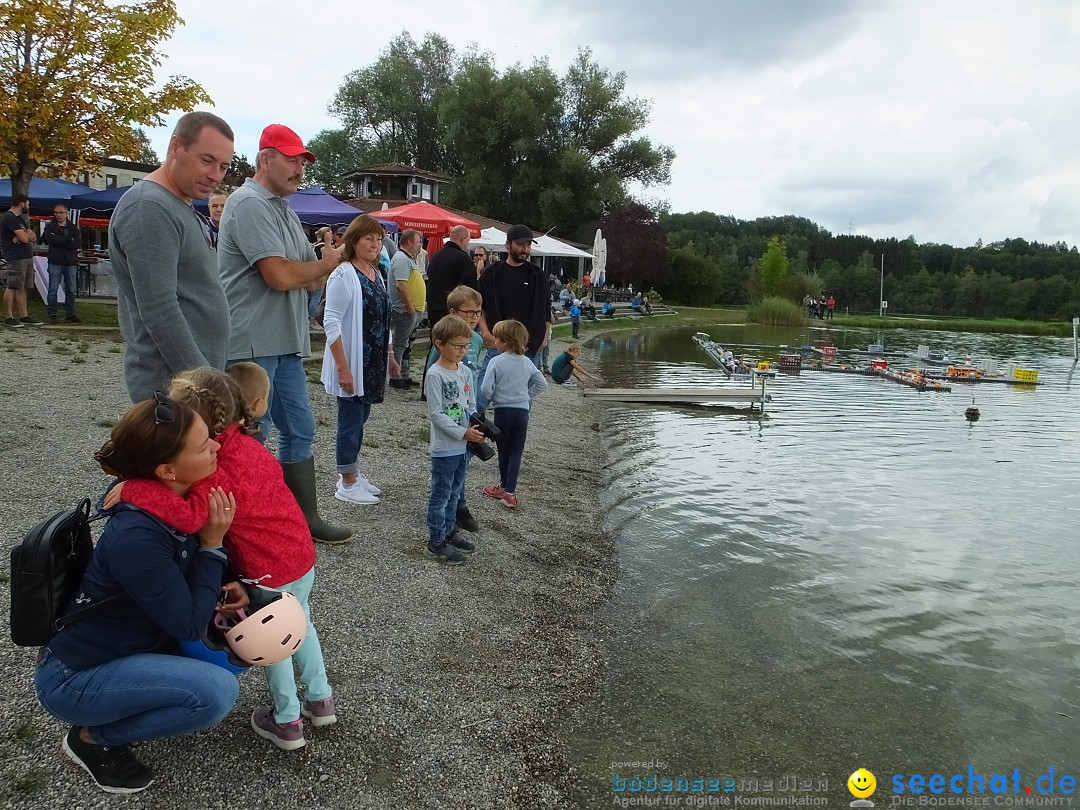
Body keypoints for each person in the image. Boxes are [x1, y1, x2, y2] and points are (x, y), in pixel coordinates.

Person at [106, 366, 337, 752]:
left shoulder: (215, 467)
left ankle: (287, 720)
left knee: (273, 642)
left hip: (267, 570)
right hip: (299, 555)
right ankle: (321, 698)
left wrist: (135, 490)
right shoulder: (252, 446)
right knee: (302, 624)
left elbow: (193, 516)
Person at [35, 395, 245, 794]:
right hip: (73, 677)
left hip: (134, 645)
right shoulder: (138, 535)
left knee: (242, 642)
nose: (217, 446)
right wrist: (213, 546)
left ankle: (135, 697)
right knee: (216, 693)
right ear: (167, 470)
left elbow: (183, 578)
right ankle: (92, 740)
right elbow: (186, 623)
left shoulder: (179, 500)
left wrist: (224, 578)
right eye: (204, 446)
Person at [218, 123, 350, 544]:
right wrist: (327, 265)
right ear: (265, 159)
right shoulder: (250, 204)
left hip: (283, 342)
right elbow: (280, 275)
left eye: (302, 162)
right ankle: (241, 530)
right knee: (249, 436)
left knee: (299, 429)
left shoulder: (282, 207)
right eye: (291, 160)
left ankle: (299, 520)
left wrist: (320, 265)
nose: (299, 169)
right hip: (252, 342)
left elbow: (304, 279)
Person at [110, 111, 234, 402]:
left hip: (190, 384)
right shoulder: (149, 208)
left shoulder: (179, 204)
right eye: (207, 160)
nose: (215, 175)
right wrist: (207, 386)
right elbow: (159, 309)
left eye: (223, 166)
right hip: (174, 390)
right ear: (175, 146)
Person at [320, 215, 397, 507]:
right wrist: (342, 367)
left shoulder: (376, 273)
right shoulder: (343, 274)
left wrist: (390, 354)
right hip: (354, 359)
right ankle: (347, 481)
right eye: (369, 239)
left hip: (373, 360)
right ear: (354, 241)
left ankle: (351, 468)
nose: (375, 244)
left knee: (361, 418)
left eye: (378, 239)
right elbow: (331, 321)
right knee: (350, 420)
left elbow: (384, 316)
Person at [424, 314, 487, 565]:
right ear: (440, 344)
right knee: (441, 495)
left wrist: (478, 424)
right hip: (445, 448)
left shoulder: (465, 372)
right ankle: (435, 541)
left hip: (464, 447)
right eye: (458, 346)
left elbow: (469, 404)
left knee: (455, 492)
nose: (463, 351)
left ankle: (450, 531)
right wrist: (463, 432)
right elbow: (436, 414)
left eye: (466, 346)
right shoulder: (435, 375)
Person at [475, 224, 553, 412]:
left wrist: (544, 338)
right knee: (479, 397)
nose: (525, 249)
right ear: (508, 244)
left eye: (528, 245)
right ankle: (472, 435)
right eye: (520, 244)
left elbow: (546, 310)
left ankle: (514, 438)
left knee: (522, 403)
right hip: (497, 344)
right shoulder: (492, 273)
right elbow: (480, 307)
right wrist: (486, 333)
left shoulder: (537, 275)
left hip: (528, 348)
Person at [480, 319, 548, 510]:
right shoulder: (527, 362)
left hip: (503, 411)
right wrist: (527, 396)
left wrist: (494, 397)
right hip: (521, 412)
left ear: (505, 341)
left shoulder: (496, 361)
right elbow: (542, 384)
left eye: (497, 339)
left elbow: (485, 389)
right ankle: (510, 492)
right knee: (517, 451)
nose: (495, 342)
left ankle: (502, 486)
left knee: (504, 450)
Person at [388, 228, 424, 389]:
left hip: (413, 310)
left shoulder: (409, 258)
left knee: (406, 344)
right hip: (404, 310)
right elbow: (401, 285)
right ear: (409, 242)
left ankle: (404, 373)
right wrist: (409, 307)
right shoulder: (402, 259)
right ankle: (395, 376)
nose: (420, 245)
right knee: (400, 343)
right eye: (418, 242)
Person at [2, 192, 41, 328]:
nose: (29, 206)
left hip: (26, 255)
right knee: (12, 285)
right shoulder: (10, 218)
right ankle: (8, 317)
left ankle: (24, 315)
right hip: (16, 257)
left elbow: (33, 236)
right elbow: (25, 238)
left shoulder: (21, 219)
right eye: (28, 203)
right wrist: (25, 236)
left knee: (23, 287)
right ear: (22, 203)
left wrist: (25, 236)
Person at [425, 224, 476, 327]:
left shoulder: (436, 256)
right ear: (463, 239)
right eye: (468, 241)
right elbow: (470, 288)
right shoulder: (463, 259)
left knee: (436, 340)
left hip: (434, 310)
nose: (468, 245)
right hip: (454, 312)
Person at [42, 203, 81, 323]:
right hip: (55, 261)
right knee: (53, 289)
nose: (58, 215)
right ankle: (52, 313)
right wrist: (68, 240)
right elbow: (49, 239)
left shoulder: (73, 227)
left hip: (70, 262)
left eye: (61, 212)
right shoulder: (50, 227)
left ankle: (70, 314)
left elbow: (77, 243)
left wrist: (60, 241)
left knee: (71, 289)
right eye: (56, 212)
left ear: (66, 213)